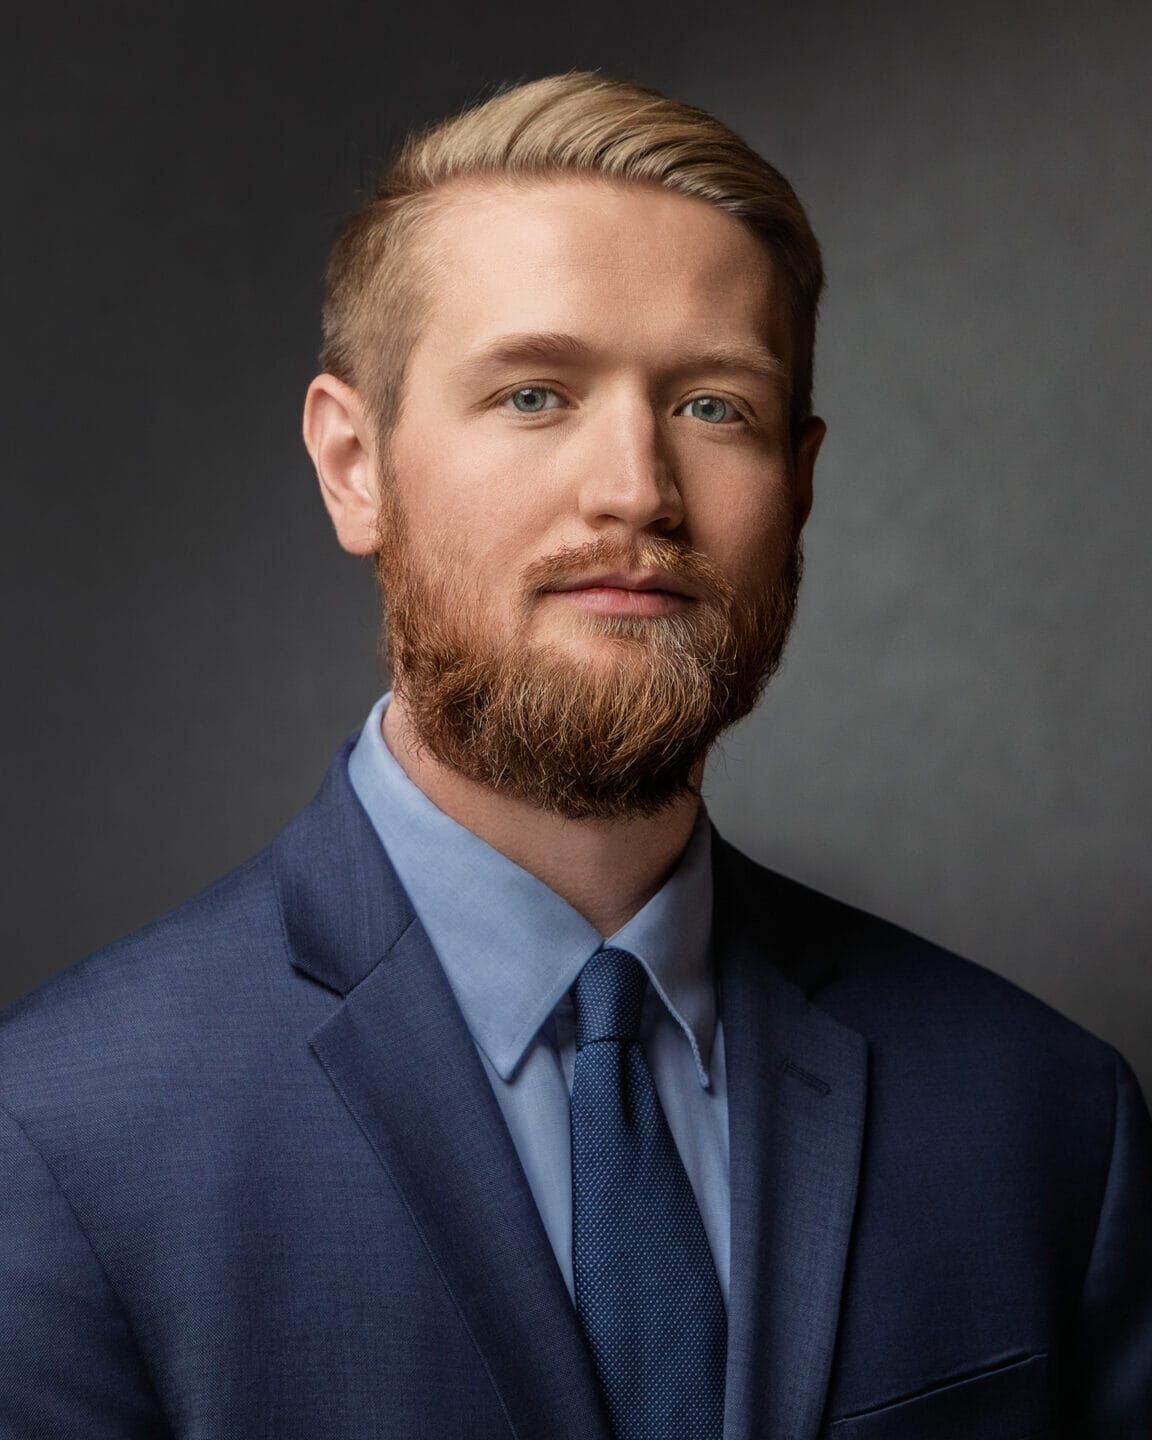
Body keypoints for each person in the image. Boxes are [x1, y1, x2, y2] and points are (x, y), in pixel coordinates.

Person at [1, 69, 1149, 1440]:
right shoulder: (53, 1140)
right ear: (355, 466)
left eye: (714, 406)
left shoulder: (1046, 1118)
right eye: (536, 393)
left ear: (800, 483)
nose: (635, 491)